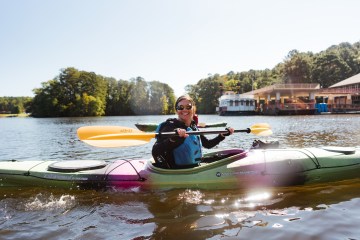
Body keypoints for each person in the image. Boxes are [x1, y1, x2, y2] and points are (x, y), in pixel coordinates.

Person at [152, 94, 234, 169]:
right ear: (177, 110)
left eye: (188, 107)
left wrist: (221, 136)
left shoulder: (193, 127)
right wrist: (174, 139)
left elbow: (208, 144)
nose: (184, 110)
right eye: (180, 107)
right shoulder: (170, 126)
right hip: (177, 171)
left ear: (193, 109)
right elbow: (156, 150)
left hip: (194, 168)